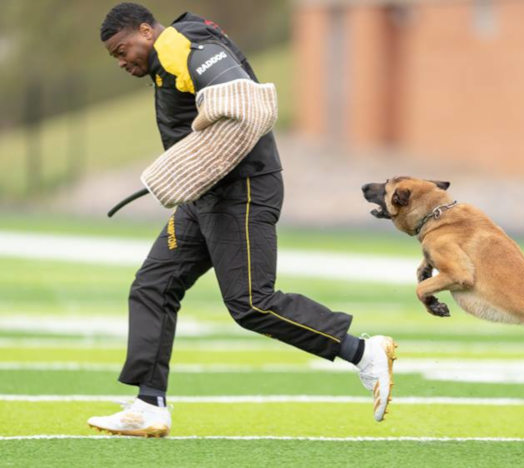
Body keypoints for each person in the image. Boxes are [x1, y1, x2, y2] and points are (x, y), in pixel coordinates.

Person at [88, 3, 396, 437]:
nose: (122, 61)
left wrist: (189, 158)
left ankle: (363, 352)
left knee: (251, 303)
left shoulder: (179, 44)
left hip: (242, 191)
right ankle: (149, 404)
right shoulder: (169, 54)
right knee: (153, 286)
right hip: (206, 194)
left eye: (123, 49)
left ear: (145, 29)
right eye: (115, 56)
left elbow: (240, 97)